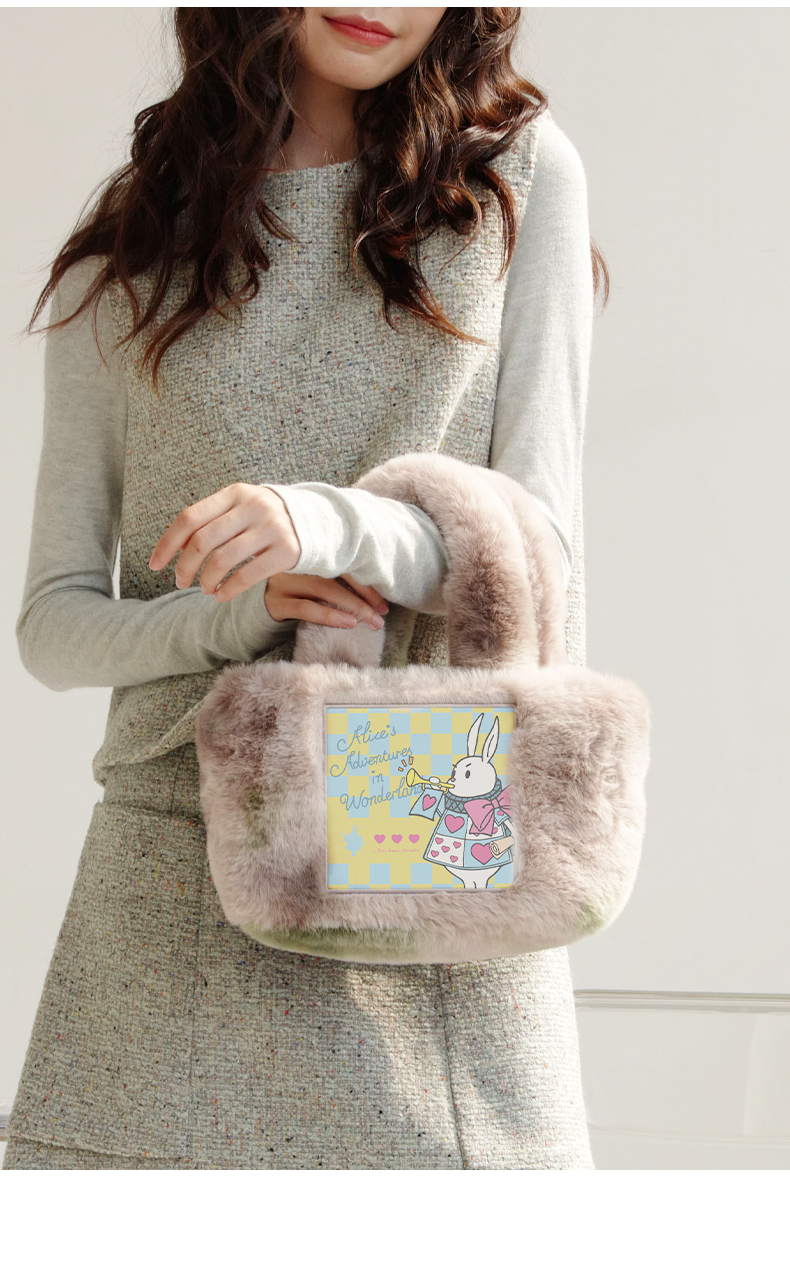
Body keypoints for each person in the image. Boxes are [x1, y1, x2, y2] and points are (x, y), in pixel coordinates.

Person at [4, 6, 605, 1170]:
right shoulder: (137, 234)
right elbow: (53, 621)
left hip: (425, 830)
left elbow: (536, 548)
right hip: (173, 884)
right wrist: (239, 614)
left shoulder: (515, 181)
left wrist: (329, 525)